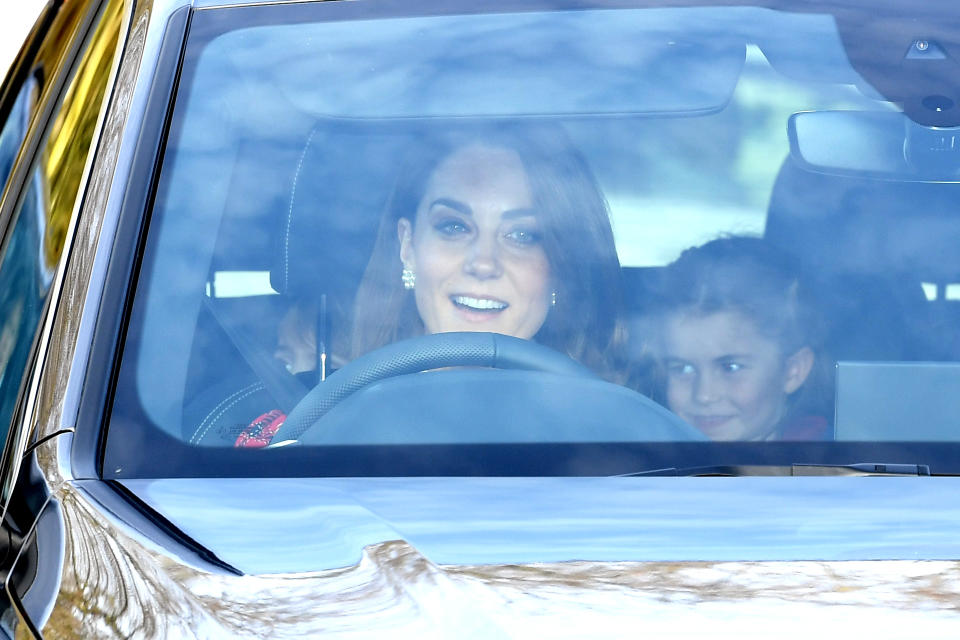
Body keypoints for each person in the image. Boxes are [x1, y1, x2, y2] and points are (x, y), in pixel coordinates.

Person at [351, 123, 633, 384]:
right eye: (454, 226)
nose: (484, 263)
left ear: (562, 266)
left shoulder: (613, 430)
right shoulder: (328, 421)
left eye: (522, 235)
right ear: (408, 245)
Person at [648, 236, 831, 441]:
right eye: (682, 368)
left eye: (731, 367)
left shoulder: (833, 465)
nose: (704, 395)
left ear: (793, 371)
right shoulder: (640, 463)